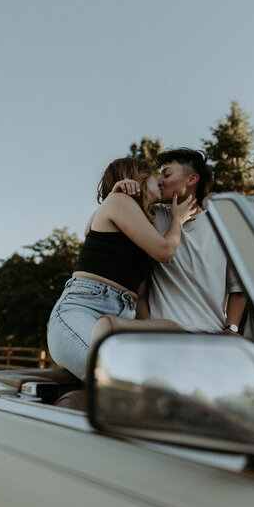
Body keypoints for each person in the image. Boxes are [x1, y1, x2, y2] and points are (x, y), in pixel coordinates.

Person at [47, 157, 196, 381]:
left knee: (174, 333)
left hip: (123, 316)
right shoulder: (118, 202)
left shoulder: (142, 225)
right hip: (82, 309)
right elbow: (165, 251)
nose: (161, 182)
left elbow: (142, 297)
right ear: (140, 178)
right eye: (156, 176)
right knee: (121, 379)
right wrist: (178, 220)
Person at [97, 148, 246, 337]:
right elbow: (99, 227)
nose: (159, 181)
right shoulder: (150, 216)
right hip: (165, 338)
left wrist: (231, 328)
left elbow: (238, 288)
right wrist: (118, 192)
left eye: (166, 175)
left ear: (192, 180)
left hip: (213, 337)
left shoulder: (224, 227)